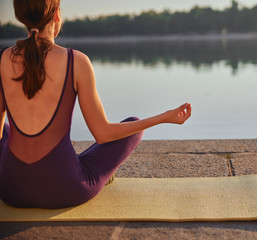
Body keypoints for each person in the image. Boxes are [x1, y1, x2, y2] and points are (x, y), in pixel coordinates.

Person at [0, 0, 191, 209]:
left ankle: (62, 162)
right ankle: (80, 166)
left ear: (21, 18)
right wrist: (164, 117)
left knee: (9, 133)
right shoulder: (76, 61)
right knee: (133, 126)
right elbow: (103, 134)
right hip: (65, 189)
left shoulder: (3, 59)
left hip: (11, 189)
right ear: (56, 15)